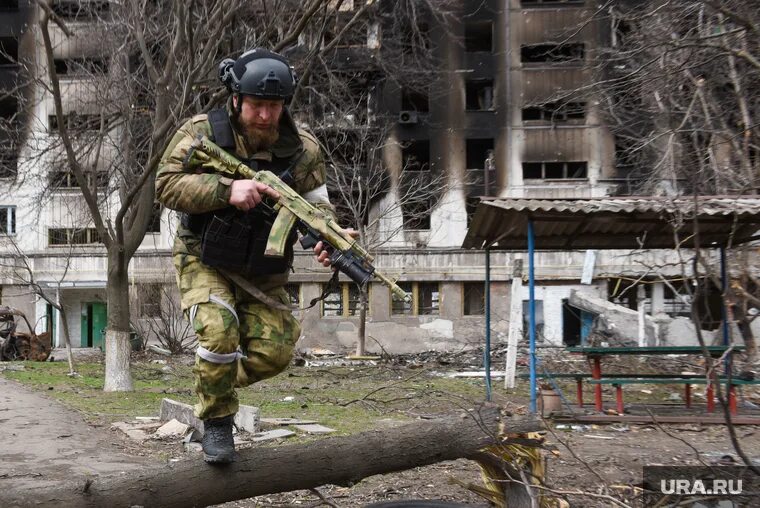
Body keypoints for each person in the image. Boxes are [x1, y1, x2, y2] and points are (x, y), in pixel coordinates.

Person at [156, 48, 338, 464]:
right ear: (236, 99)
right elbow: (165, 186)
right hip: (205, 254)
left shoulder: (303, 150)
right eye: (257, 105)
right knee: (219, 333)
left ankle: (212, 383)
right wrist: (225, 190)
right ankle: (217, 423)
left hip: (263, 262)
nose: (264, 116)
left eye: (274, 106)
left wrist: (328, 236)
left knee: (275, 352)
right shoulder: (201, 133)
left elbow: (316, 204)